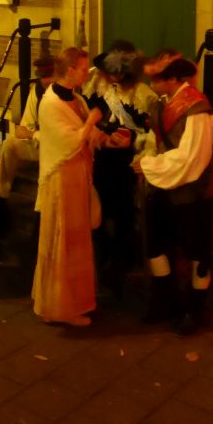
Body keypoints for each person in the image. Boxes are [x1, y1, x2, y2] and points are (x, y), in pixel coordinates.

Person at [134, 56, 213, 335]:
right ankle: (164, 302)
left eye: (155, 79)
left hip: (192, 193)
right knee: (156, 247)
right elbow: (156, 142)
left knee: (197, 255)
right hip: (163, 186)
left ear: (172, 80)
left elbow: (191, 158)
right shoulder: (160, 104)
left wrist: (147, 166)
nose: (150, 83)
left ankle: (194, 310)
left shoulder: (196, 109)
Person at [31, 47, 109, 327]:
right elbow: (69, 141)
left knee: (73, 240)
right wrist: (91, 121)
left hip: (77, 176)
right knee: (64, 241)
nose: (86, 74)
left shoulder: (75, 98)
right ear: (71, 70)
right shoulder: (50, 103)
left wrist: (104, 138)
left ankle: (60, 303)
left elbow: (85, 134)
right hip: (62, 179)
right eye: (83, 68)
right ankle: (63, 307)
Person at [83, 41, 157, 299]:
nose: (114, 75)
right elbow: (86, 117)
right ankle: (99, 264)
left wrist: (134, 143)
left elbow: (152, 135)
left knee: (123, 214)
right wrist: (97, 135)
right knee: (97, 213)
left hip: (126, 164)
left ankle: (121, 265)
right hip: (99, 160)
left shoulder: (144, 95)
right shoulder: (94, 86)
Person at [0, 55, 57, 246]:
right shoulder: (36, 92)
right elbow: (21, 129)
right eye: (44, 76)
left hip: (57, 149)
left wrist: (37, 134)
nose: (48, 80)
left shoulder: (66, 95)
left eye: (51, 75)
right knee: (9, 144)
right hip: (39, 143)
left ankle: (40, 223)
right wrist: (35, 134)